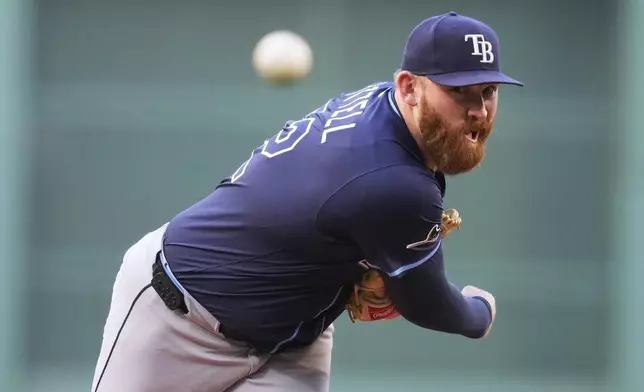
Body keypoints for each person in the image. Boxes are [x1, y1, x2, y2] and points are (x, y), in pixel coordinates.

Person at [90, 10, 523, 392]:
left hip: (293, 343)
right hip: (178, 319)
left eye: (488, 91)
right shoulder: (395, 183)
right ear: (408, 87)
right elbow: (427, 304)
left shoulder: (384, 110)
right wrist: (479, 312)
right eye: (459, 92)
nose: (479, 111)